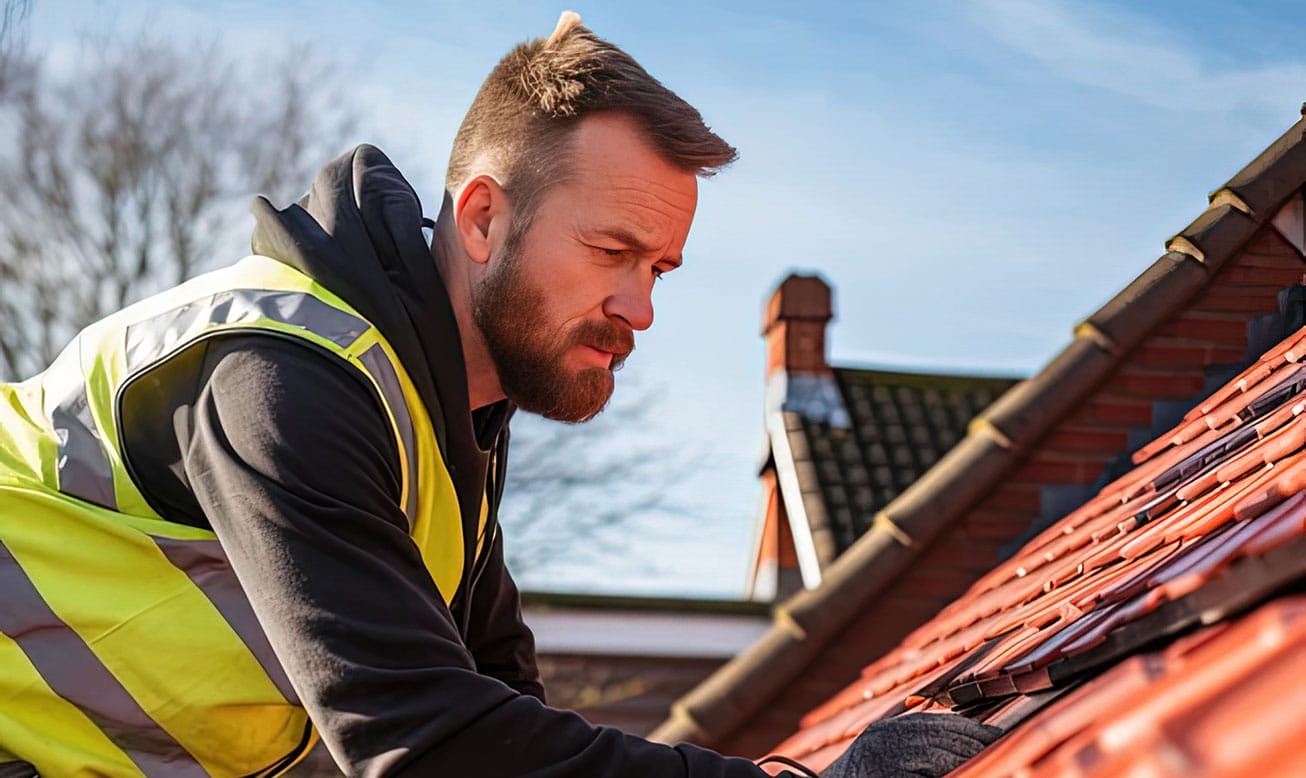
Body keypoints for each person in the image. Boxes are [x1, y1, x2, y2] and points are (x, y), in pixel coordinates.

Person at [0, 12, 999, 778]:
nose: (640, 308)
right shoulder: (284, 382)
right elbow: (425, 742)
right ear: (481, 217)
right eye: (612, 252)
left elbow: (503, 713)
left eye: (662, 269)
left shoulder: (445, 425)